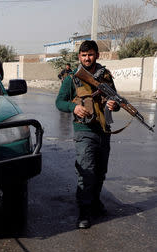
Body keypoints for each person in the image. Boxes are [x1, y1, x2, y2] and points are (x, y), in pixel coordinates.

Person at [55, 40, 120, 229]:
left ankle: (95, 202)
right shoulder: (72, 78)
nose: (87, 58)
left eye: (90, 54)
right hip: (84, 131)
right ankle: (84, 212)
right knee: (87, 171)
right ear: (79, 57)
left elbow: (114, 100)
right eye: (83, 55)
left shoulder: (106, 76)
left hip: (104, 130)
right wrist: (73, 107)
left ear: (97, 55)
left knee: (100, 171)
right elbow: (59, 102)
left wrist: (113, 105)